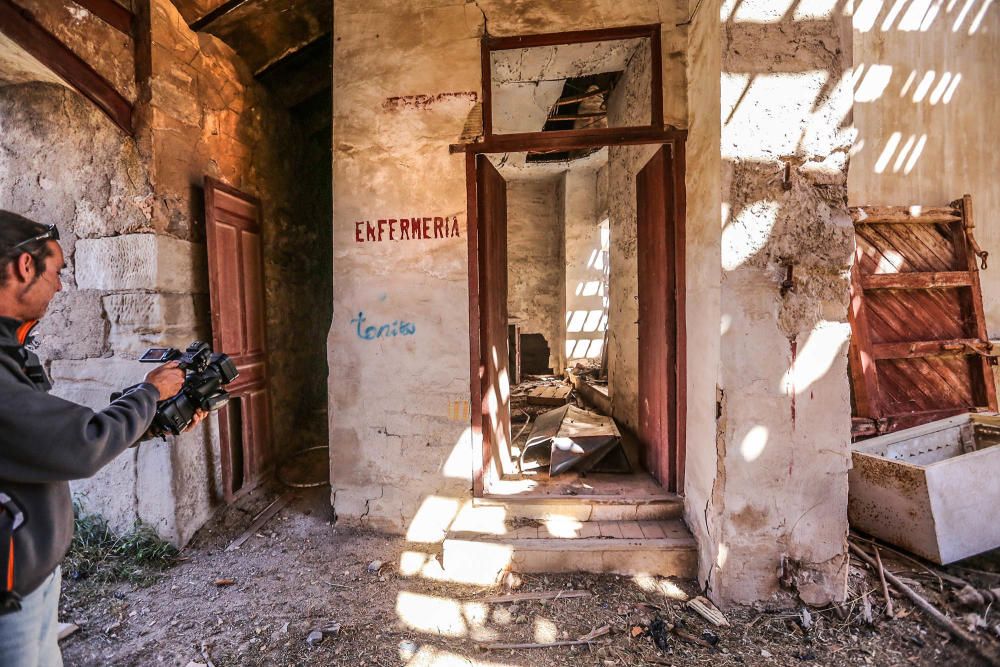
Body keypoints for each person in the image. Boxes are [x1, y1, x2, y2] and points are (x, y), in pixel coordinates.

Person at [0, 211, 191, 667]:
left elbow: (38, 442)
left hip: (29, 577)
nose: (61, 287)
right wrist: (152, 393)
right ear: (26, 267)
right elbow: (80, 443)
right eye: (58, 271)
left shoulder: (9, 347)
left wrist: (152, 419)